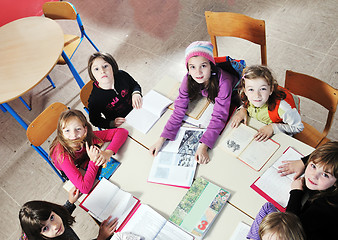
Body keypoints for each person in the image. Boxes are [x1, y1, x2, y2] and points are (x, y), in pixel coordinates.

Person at [149, 41, 238, 164]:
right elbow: (178, 109)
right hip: (211, 96)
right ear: (188, 69)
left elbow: (219, 117)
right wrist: (161, 139)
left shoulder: (225, 82)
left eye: (203, 66)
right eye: (193, 67)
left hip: (234, 97)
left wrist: (203, 146)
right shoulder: (188, 78)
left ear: (211, 66)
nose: (198, 72)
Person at [49, 109, 128, 194]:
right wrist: (93, 161)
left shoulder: (87, 136)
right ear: (61, 133)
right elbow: (84, 189)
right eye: (67, 131)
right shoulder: (62, 155)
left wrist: (108, 153)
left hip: (85, 158)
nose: (73, 135)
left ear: (85, 130)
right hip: (72, 166)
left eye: (78, 129)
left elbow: (122, 132)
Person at [19, 187, 142, 240]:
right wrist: (101, 238)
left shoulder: (53, 220)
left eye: (52, 217)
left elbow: (61, 212)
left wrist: (70, 202)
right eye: (45, 228)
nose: (55, 225)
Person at [279, 141, 338, 240]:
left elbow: (290, 228)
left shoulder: (325, 207)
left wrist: (296, 193)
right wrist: (303, 161)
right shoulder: (327, 182)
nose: (313, 176)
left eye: (325, 175)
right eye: (313, 166)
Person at [231, 65, 303, 142]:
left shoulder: (284, 108)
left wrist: (273, 128)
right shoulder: (245, 95)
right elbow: (245, 103)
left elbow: (298, 127)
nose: (256, 95)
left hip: (279, 135)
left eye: (263, 89)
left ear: (271, 90)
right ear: (245, 90)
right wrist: (243, 109)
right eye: (251, 89)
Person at [87, 52, 143, 129]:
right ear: (92, 74)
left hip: (138, 110)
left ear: (112, 67)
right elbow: (95, 120)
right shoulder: (95, 99)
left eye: (105, 66)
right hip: (123, 125)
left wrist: (136, 93)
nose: (102, 71)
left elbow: (134, 85)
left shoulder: (122, 75)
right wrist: (112, 123)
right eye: (96, 69)